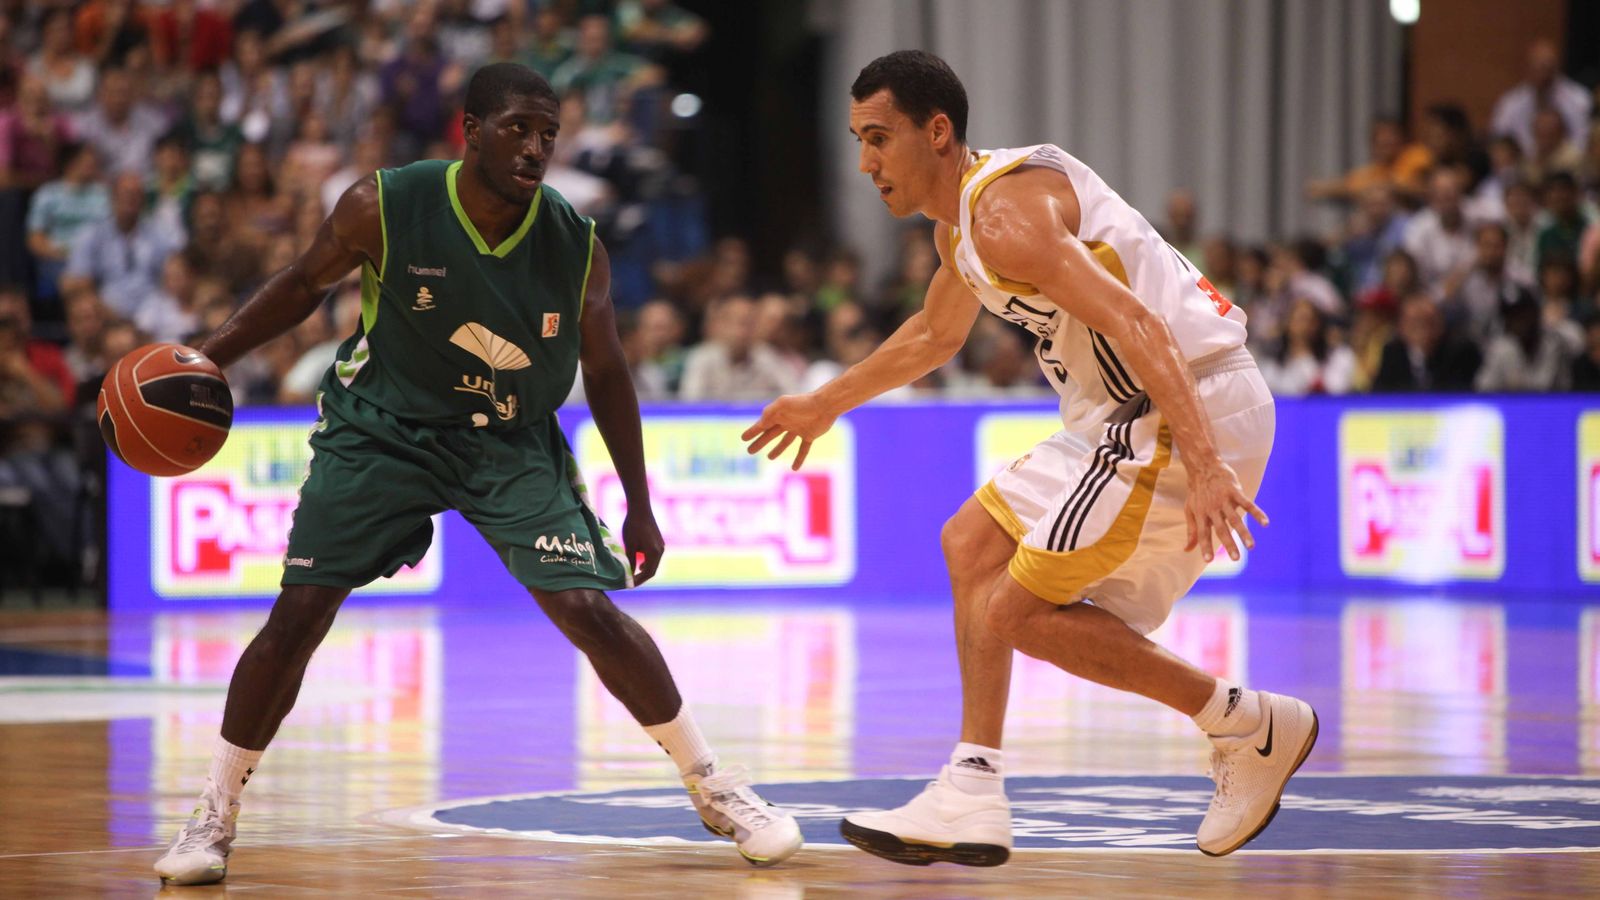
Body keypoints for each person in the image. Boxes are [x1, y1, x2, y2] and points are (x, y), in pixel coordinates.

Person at [152, 63, 802, 887]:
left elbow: (606, 371)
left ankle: (714, 787)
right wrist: (208, 357)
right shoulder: (384, 204)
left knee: (586, 608)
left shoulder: (576, 244)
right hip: (382, 429)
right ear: (471, 130)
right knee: (301, 611)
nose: (534, 148)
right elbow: (301, 284)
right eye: (516, 129)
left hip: (508, 438)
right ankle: (214, 812)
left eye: (547, 134)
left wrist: (640, 505)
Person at [742, 50, 1314, 864]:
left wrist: (1208, 462)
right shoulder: (962, 228)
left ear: (937, 132)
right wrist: (825, 402)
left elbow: (1139, 324)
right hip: (1122, 414)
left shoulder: (1005, 215)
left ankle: (1247, 724)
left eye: (878, 138)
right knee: (970, 543)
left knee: (1015, 611)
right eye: (858, 140)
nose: (865, 162)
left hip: (1181, 403)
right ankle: (973, 785)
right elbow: (935, 335)